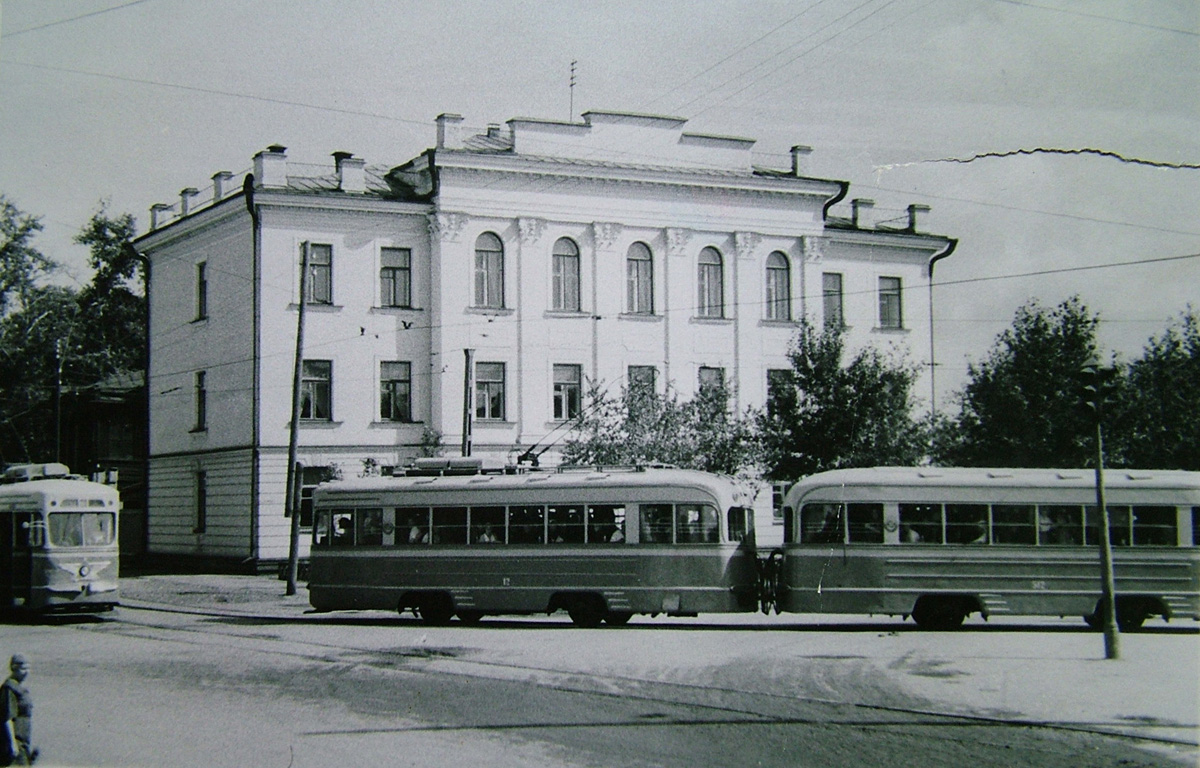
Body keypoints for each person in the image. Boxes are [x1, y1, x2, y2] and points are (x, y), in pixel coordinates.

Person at [1, 654, 35, 767]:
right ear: (13, 668)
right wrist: (12, 744)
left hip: (23, 741)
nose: (26, 672)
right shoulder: (9, 688)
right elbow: (7, 718)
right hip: (14, 742)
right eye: (22, 668)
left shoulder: (20, 689)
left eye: (28, 668)